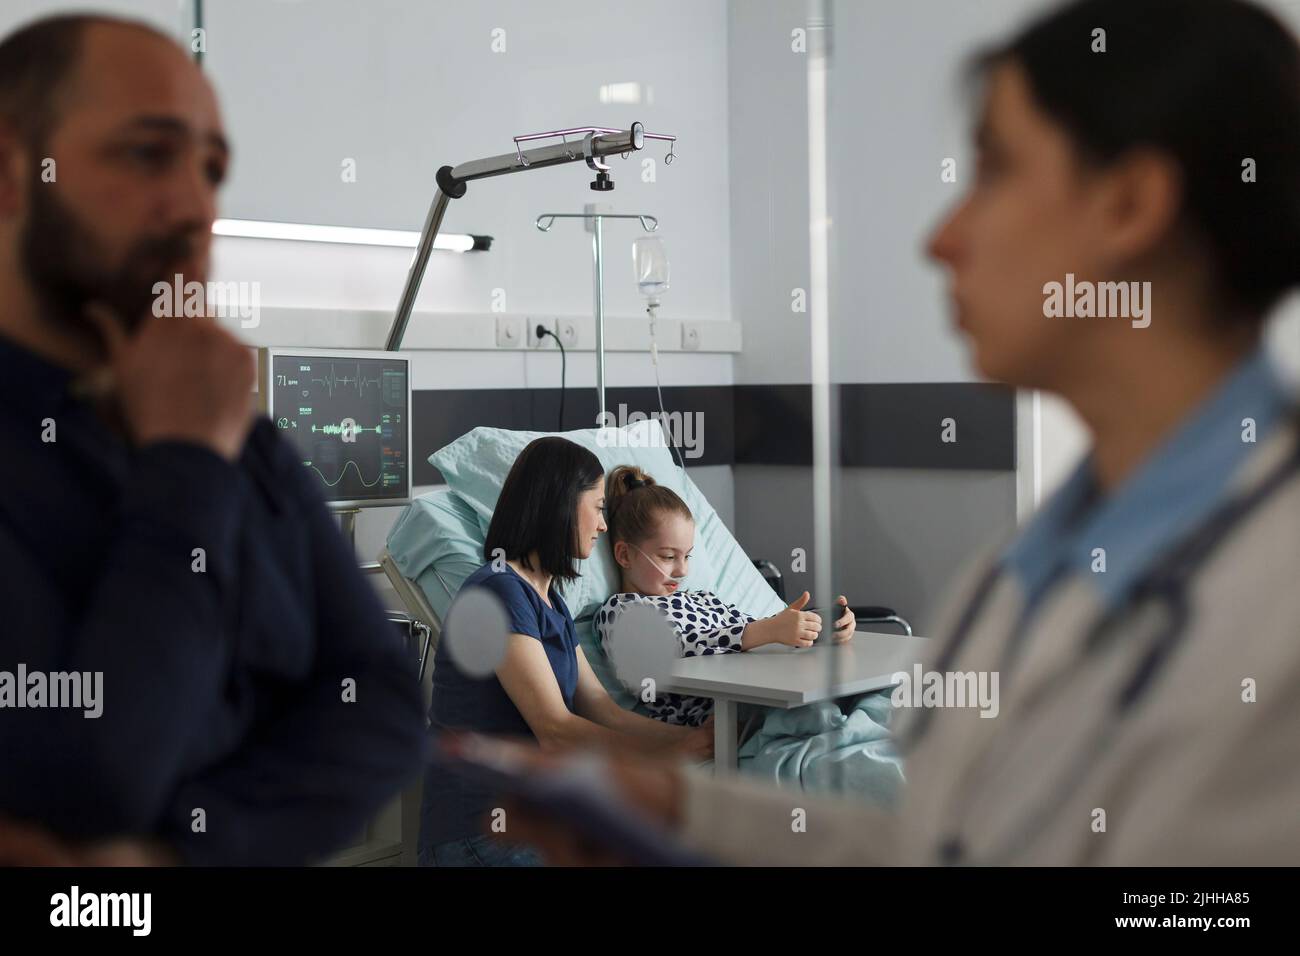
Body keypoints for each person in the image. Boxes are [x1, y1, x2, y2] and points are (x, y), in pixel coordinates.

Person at [499, 0, 1300, 866]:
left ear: (1131, 203)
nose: (940, 239)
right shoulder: (1033, 561)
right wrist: (684, 815)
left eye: (992, 171)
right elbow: (941, 841)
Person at [0, 14, 425, 865]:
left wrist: (184, 854)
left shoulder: (243, 433)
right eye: (148, 154)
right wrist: (187, 463)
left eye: (211, 169)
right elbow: (97, 774)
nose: (198, 207)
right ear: (13, 174)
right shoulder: (203, 431)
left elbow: (383, 704)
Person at [418, 438, 712, 867]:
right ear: (559, 504)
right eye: (596, 507)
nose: (603, 525)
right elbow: (555, 729)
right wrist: (668, 754)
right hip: (479, 832)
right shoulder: (499, 590)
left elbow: (601, 709)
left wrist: (695, 742)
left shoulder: (551, 602)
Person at [596, 464, 854, 727]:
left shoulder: (702, 599)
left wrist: (815, 627)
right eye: (668, 556)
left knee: (866, 705)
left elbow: (755, 634)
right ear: (625, 555)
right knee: (827, 722)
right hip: (719, 726)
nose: (683, 569)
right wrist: (766, 630)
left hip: (763, 702)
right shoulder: (621, 611)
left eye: (687, 556)